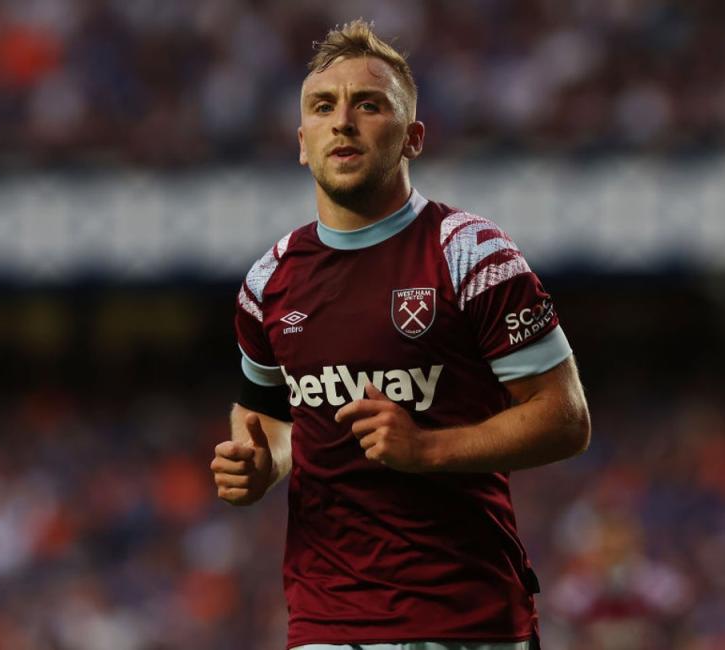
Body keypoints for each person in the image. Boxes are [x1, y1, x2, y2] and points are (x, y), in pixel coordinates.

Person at [210, 19, 591, 650]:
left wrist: (428, 450)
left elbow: (565, 418)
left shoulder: (469, 253)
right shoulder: (267, 281)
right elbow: (269, 415)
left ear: (412, 137)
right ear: (302, 142)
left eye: (369, 104)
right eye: (323, 107)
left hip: (466, 621)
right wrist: (259, 466)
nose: (343, 122)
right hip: (326, 625)